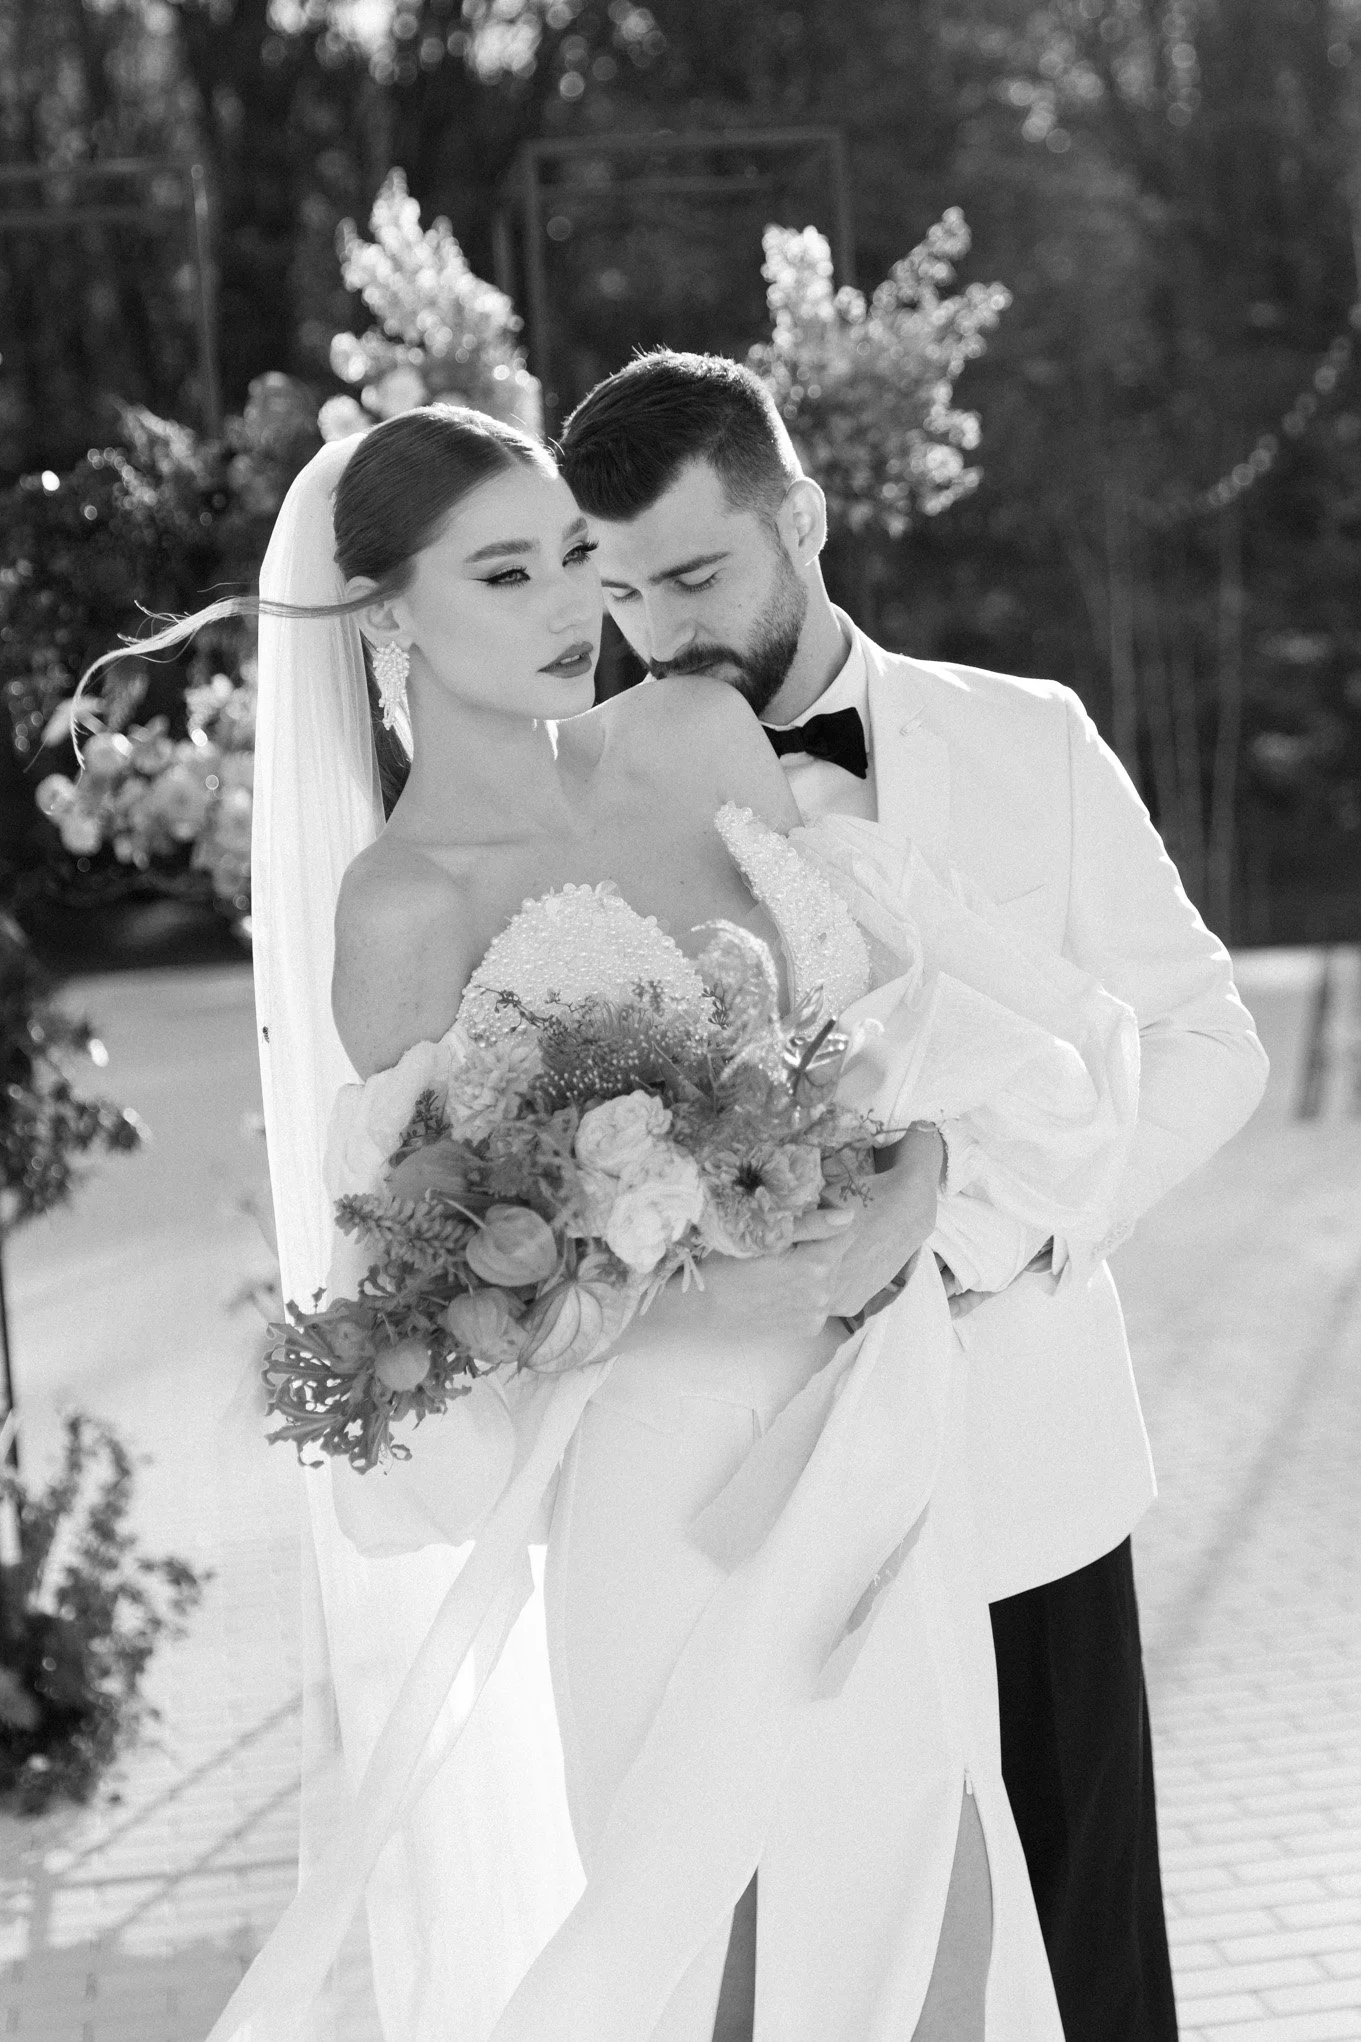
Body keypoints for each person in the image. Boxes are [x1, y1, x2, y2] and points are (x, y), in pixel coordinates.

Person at [85, 403, 1140, 2042]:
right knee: (705, 1949)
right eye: (503, 573)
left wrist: (918, 1180)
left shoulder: (703, 738)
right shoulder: (405, 904)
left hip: (873, 1417)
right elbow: (431, 1296)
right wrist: (640, 1257)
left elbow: (893, 1027)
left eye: (575, 555)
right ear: (387, 618)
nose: (570, 604)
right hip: (658, 1490)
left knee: (940, 1913)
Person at [557, 348, 1271, 2042]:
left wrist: (956, 1214)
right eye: (624, 586)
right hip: (759, 1526)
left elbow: (1208, 1044)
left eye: (698, 571)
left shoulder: (1030, 738)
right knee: (835, 1982)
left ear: (798, 516)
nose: (658, 627)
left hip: (1024, 1475)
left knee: (1089, 1966)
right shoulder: (585, 800)